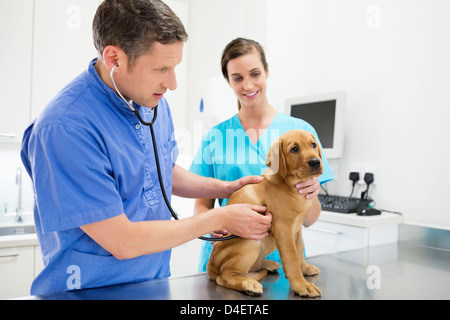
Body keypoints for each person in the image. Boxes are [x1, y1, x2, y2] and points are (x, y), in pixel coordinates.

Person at [20, 1, 272, 296]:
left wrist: (225, 188)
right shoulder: (66, 129)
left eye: (174, 67)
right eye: (161, 68)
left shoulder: (151, 102)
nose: (173, 83)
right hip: (88, 290)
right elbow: (123, 240)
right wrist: (219, 217)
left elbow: (160, 170)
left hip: (153, 283)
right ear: (114, 58)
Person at [190, 38, 334, 272]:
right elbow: (202, 207)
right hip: (231, 250)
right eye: (237, 78)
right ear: (229, 82)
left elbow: (309, 219)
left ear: (267, 72)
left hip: (281, 260)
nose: (248, 85)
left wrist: (311, 193)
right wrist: (211, 225)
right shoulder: (214, 137)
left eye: (255, 74)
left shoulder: (302, 133)